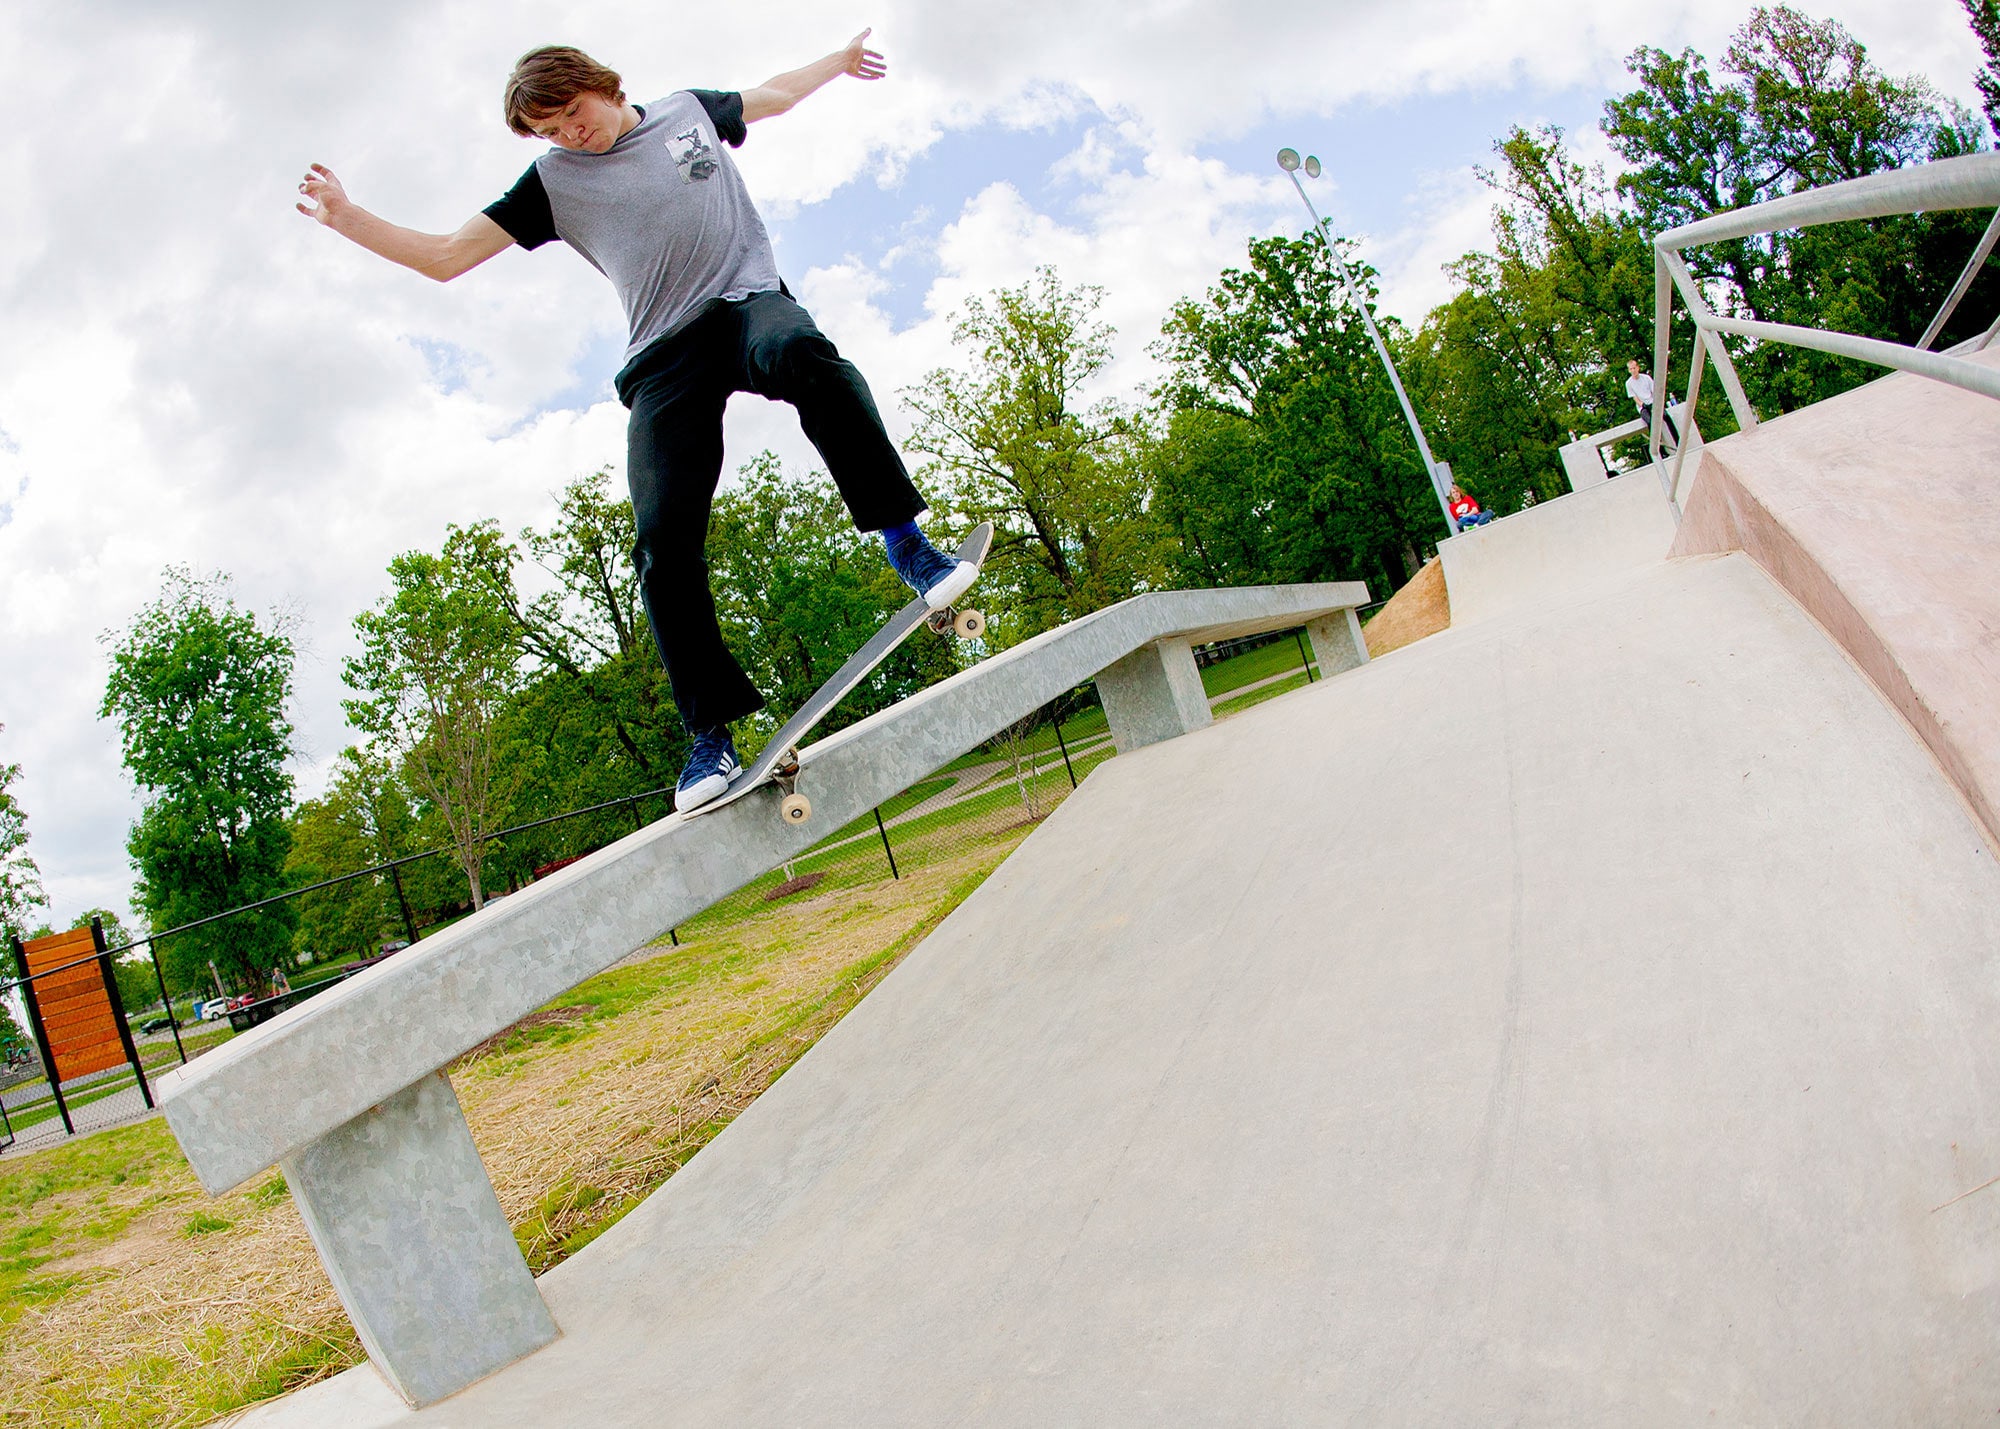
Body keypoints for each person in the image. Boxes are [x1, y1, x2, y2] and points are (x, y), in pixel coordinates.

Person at [295, 31, 979, 812]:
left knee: (803, 355)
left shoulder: (690, 111)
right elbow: (449, 255)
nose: (570, 137)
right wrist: (347, 217)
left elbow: (776, 92)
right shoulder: (551, 183)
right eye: (551, 132)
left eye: (573, 116)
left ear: (600, 84)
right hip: (664, 355)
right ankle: (710, 734)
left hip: (747, 304)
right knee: (660, 538)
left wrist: (838, 61)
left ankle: (908, 545)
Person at [1624, 358, 1679, 454]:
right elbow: (1634, 398)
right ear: (1629, 370)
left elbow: (1655, 392)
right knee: (1650, 423)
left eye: (1634, 368)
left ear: (1638, 368)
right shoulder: (1629, 383)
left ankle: (1678, 441)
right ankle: (1660, 450)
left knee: (1666, 417)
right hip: (1643, 407)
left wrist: (1655, 404)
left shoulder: (1646, 378)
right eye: (1631, 369)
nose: (1633, 371)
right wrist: (1643, 405)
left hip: (1653, 403)